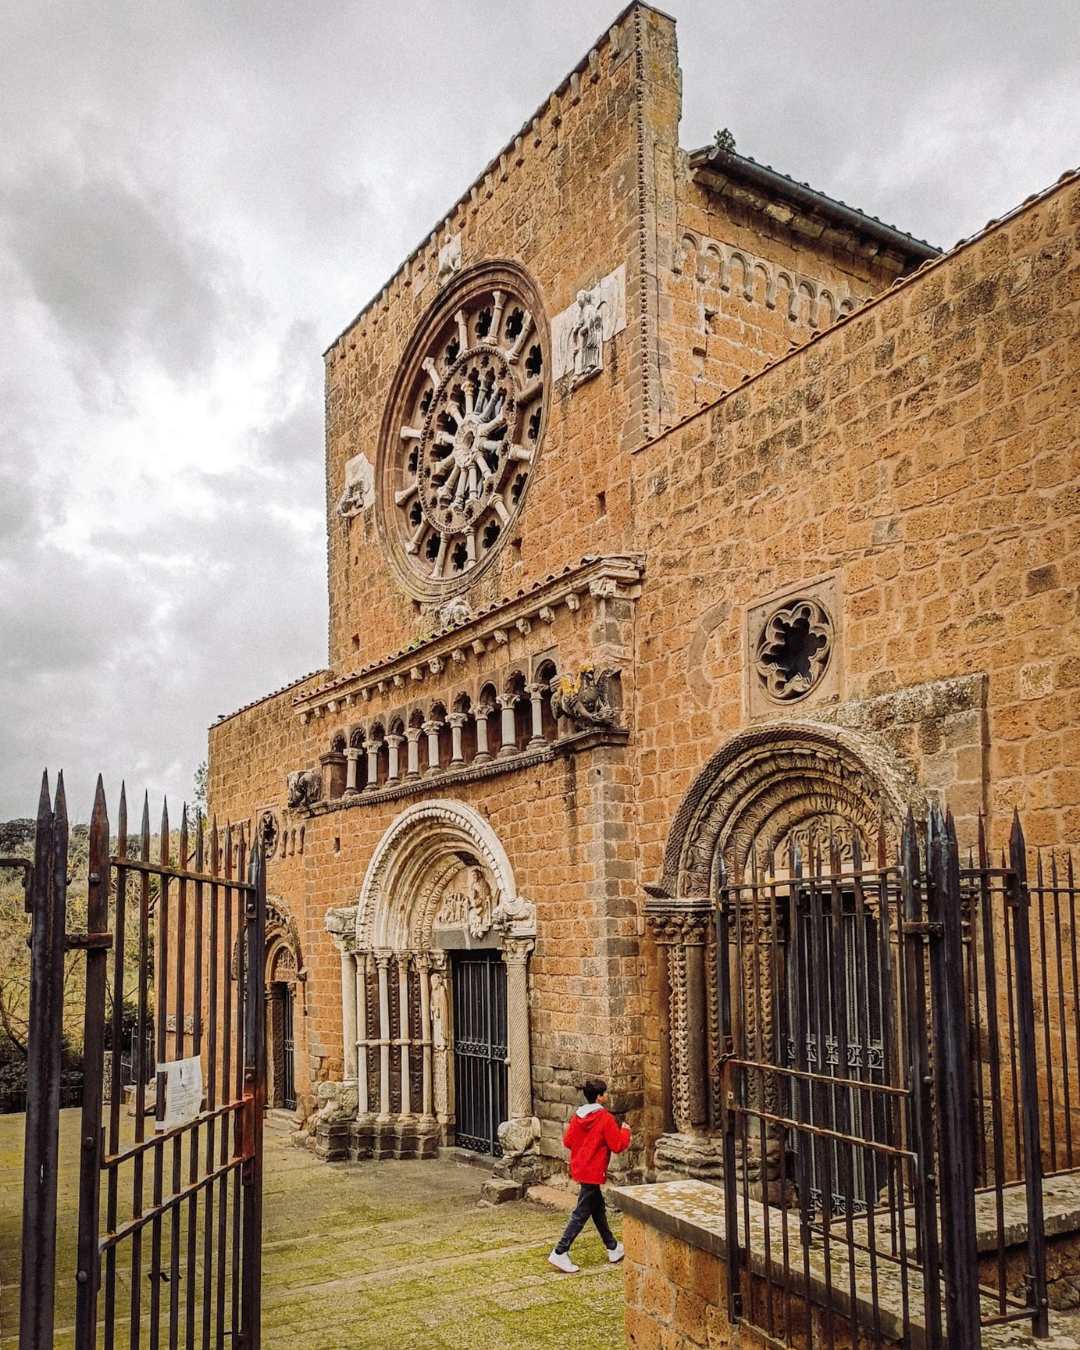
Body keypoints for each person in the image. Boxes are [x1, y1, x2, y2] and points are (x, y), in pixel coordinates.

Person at [548, 1078, 631, 1273]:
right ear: (600, 1097)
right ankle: (560, 1251)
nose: (607, 1096)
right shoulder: (605, 1118)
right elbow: (618, 1145)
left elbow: (568, 1141)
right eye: (605, 1093)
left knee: (597, 1209)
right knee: (581, 1213)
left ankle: (612, 1247)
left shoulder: (578, 1117)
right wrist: (626, 1131)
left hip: (580, 1167)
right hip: (594, 1171)